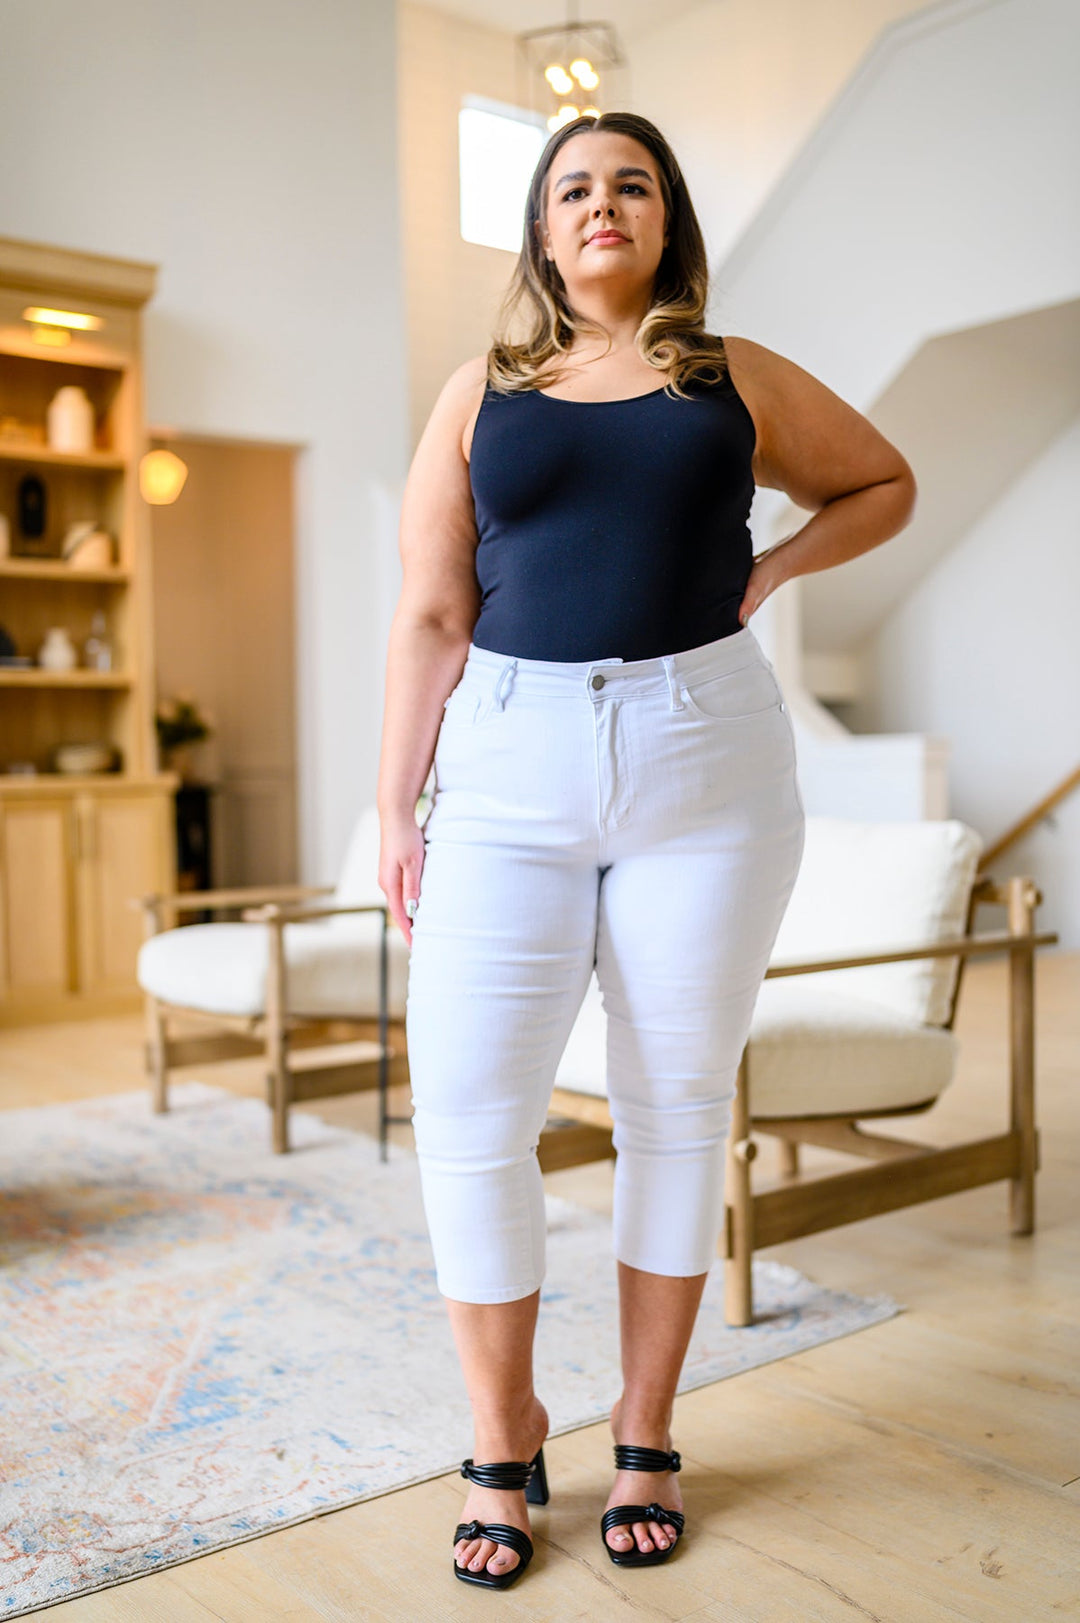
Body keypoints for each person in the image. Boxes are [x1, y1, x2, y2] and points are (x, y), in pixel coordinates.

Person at [376, 110, 916, 1592]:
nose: (601, 204)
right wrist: (395, 804)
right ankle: (502, 1435)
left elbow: (880, 480)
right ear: (543, 231)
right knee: (470, 1115)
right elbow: (430, 612)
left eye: (631, 184)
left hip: (705, 756)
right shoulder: (482, 394)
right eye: (573, 188)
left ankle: (647, 1431)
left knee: (673, 1106)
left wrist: (774, 568)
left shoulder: (729, 376)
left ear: (665, 218)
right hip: (506, 764)